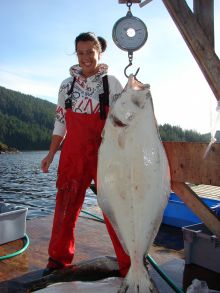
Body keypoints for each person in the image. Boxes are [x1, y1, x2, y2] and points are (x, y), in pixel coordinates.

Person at [41, 32, 130, 276]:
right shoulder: (66, 86)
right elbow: (60, 123)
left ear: (99, 52)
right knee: (65, 209)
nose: (85, 58)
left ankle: (129, 265)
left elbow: (125, 121)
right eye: (80, 53)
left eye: (90, 52)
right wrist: (50, 155)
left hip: (106, 154)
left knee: (114, 210)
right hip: (72, 155)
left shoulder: (111, 83)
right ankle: (58, 261)